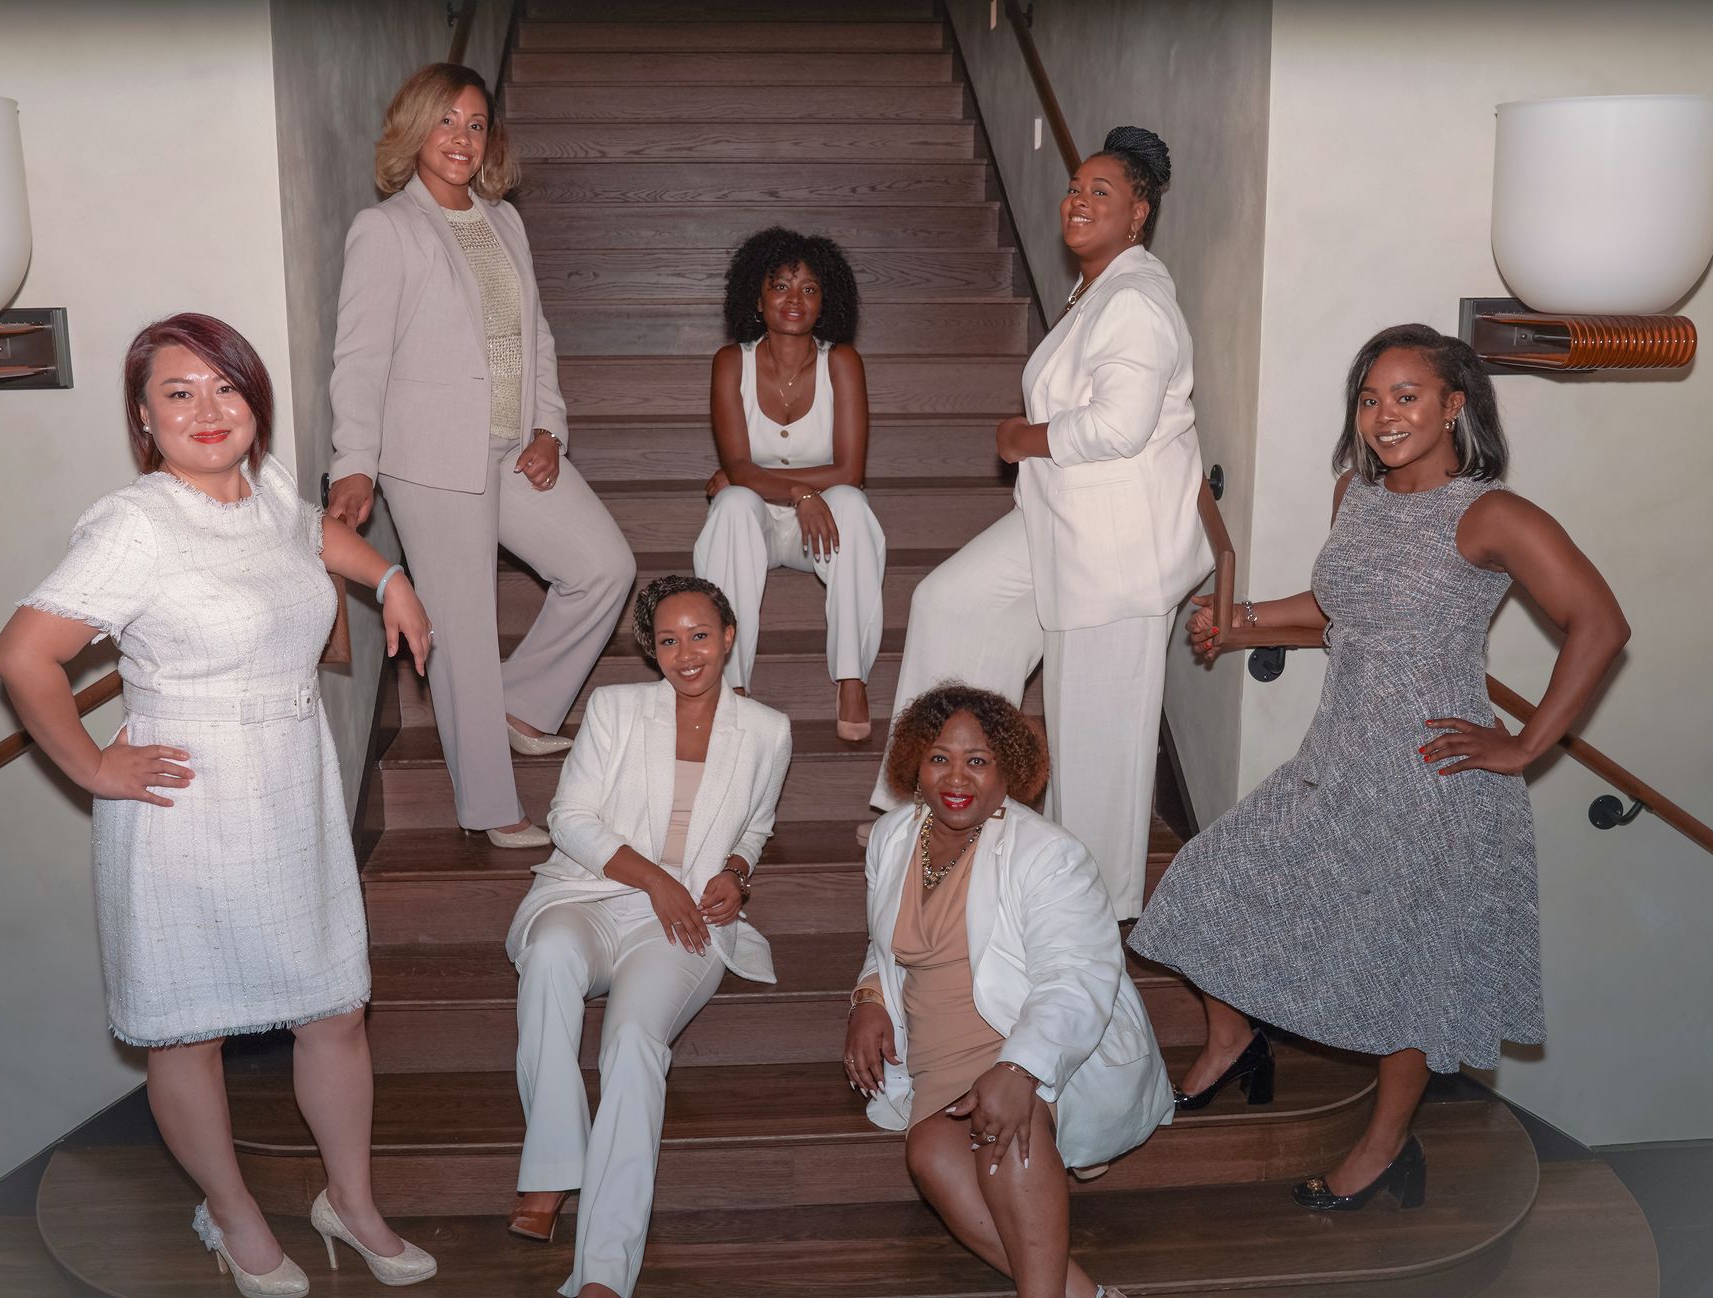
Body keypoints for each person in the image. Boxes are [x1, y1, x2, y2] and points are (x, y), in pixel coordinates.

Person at [1130, 324, 1629, 1211]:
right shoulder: (1350, 496)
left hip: (1433, 781)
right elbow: (1337, 615)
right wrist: (1239, 617)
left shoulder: (1490, 514)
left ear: (1453, 406)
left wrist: (1524, 745)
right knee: (1206, 879)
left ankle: (1384, 1148)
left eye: (1406, 395)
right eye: (1369, 398)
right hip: (1338, 760)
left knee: (1412, 974)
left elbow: (1600, 624)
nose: (1384, 415)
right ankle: (1234, 1038)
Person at [0, 314, 438, 1292]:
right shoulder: (136, 523)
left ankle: (350, 1202)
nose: (208, 409)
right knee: (188, 1027)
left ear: (254, 404)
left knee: (334, 1009)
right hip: (187, 806)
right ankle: (231, 1213)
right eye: (178, 393)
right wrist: (94, 767)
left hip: (292, 788)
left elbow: (314, 534)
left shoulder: (267, 490)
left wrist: (391, 576)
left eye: (226, 388)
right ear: (144, 420)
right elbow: (23, 654)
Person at [867, 127, 1211, 917]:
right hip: (1057, 518)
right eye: (1075, 187)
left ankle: (1088, 910)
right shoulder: (1099, 290)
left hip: (1115, 552)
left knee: (1096, 741)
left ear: (1139, 216)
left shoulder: (1138, 300)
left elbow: (1119, 426)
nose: (1078, 201)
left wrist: (1024, 439)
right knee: (952, 600)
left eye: (1102, 192)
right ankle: (936, 801)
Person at [326, 62, 635, 849]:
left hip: (512, 446)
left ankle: (524, 702)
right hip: (429, 457)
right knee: (460, 628)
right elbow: (359, 358)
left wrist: (549, 430)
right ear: (414, 130)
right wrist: (354, 462)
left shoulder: (504, 221)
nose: (462, 139)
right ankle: (491, 807)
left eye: (475, 124)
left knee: (604, 566)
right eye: (445, 122)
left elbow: (535, 338)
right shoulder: (387, 228)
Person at [503, 575, 793, 1298]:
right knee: (549, 957)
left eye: (700, 635)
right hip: (590, 890)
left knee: (633, 1043)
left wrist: (735, 870)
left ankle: (604, 1269)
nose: (685, 653)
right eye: (668, 640)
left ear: (729, 638)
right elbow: (569, 816)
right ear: (649, 650)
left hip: (686, 917)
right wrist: (655, 880)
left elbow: (755, 825)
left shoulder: (768, 731)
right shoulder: (615, 708)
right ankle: (551, 1167)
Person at [845, 684, 1172, 1298]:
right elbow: (885, 942)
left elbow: (1076, 975)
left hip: (1018, 1031)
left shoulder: (1047, 853)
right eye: (940, 757)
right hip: (935, 1051)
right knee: (932, 1159)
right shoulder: (893, 838)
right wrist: (869, 997)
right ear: (915, 764)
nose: (956, 777)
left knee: (1002, 1134)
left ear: (1008, 773)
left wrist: (1020, 1068)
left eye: (978, 760)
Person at [693, 227, 884, 741]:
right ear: (757, 297)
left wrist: (758, 480)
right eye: (780, 286)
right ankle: (729, 687)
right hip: (755, 521)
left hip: (818, 530)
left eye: (808, 288)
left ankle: (851, 677)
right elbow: (737, 464)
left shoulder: (841, 362)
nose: (794, 299)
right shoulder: (730, 362)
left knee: (849, 502)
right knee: (733, 504)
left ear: (826, 302)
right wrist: (798, 490)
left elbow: (850, 471)